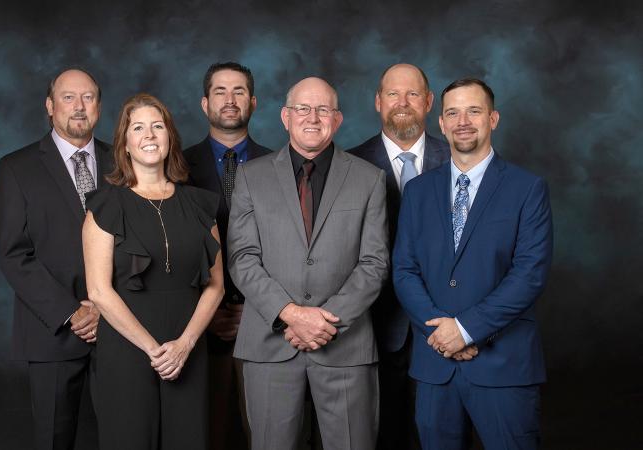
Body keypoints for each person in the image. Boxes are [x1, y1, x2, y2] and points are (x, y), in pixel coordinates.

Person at [228, 77, 389, 450]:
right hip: (270, 345)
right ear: (286, 116)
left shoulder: (369, 178)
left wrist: (323, 321)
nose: (312, 117)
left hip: (345, 346)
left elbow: (374, 262)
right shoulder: (252, 177)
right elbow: (242, 256)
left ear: (338, 118)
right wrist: (291, 314)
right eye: (303, 108)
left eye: (323, 109)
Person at [393, 78, 553, 449]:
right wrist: (441, 333)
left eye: (474, 110)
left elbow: (529, 275)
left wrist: (465, 330)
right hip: (436, 368)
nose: (463, 120)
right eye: (453, 112)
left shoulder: (527, 188)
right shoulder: (418, 192)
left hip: (503, 366)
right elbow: (404, 270)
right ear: (442, 124)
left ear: (493, 119)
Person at [82, 93, 224, 449]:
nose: (149, 135)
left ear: (170, 139)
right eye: (138, 128)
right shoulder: (104, 206)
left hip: (187, 348)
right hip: (127, 350)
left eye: (158, 127)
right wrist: (153, 350)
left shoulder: (199, 205)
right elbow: (99, 291)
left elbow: (216, 285)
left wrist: (184, 345)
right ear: (125, 144)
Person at [0, 68, 111, 450]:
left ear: (98, 106)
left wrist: (103, 307)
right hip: (53, 333)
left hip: (119, 327)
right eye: (67, 97)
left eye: (88, 97)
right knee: (53, 440)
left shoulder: (123, 163)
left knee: (126, 436)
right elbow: (15, 255)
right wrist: (72, 312)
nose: (79, 107)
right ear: (49, 106)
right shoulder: (16, 167)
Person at [348, 63, 450, 450]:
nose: (402, 103)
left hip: (444, 325)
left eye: (412, 94)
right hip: (371, 326)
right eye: (393, 94)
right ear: (378, 102)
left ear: (428, 101)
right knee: (383, 433)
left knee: (441, 434)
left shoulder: (460, 159)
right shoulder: (349, 165)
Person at [183, 61, 271, 450]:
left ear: (253, 102)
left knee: (267, 436)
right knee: (207, 436)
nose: (230, 100)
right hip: (199, 330)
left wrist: (256, 310)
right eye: (220, 91)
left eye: (239, 91)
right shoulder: (176, 167)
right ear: (205, 103)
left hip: (267, 327)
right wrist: (207, 311)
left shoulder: (281, 165)